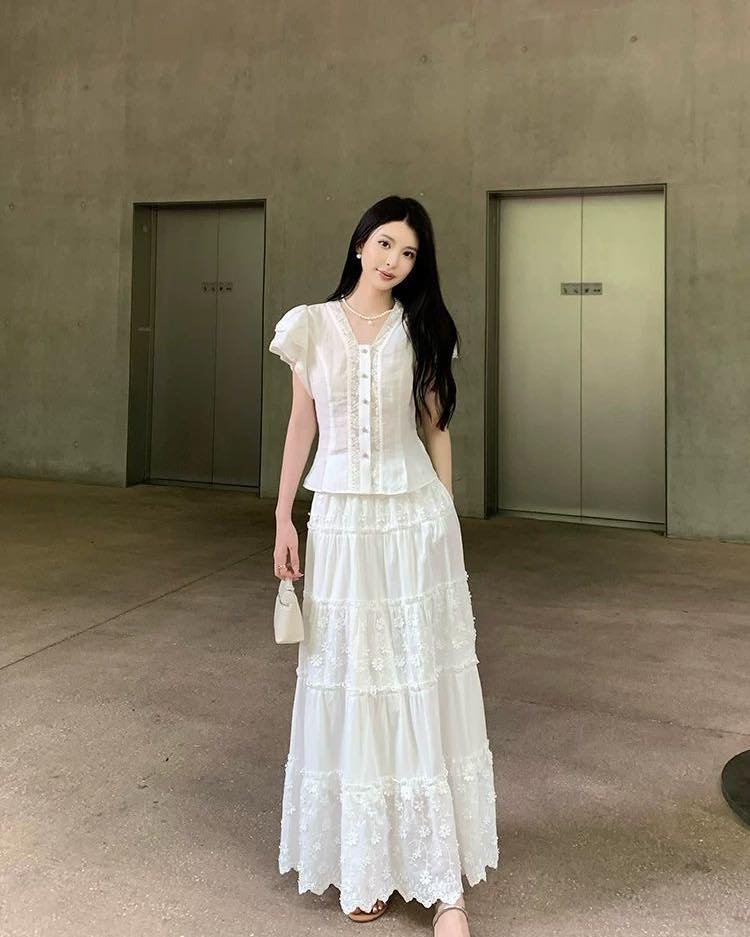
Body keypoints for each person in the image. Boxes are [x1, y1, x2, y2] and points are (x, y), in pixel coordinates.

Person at [269, 195, 499, 935]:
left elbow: (437, 430)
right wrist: (284, 516)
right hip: (340, 522)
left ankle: (443, 885)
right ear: (360, 243)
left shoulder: (420, 328)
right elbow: (301, 426)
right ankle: (366, 864)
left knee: (419, 679)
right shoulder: (309, 326)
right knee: (353, 680)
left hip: (412, 523)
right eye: (385, 244)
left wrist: (447, 519)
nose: (395, 260)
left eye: (408, 253)